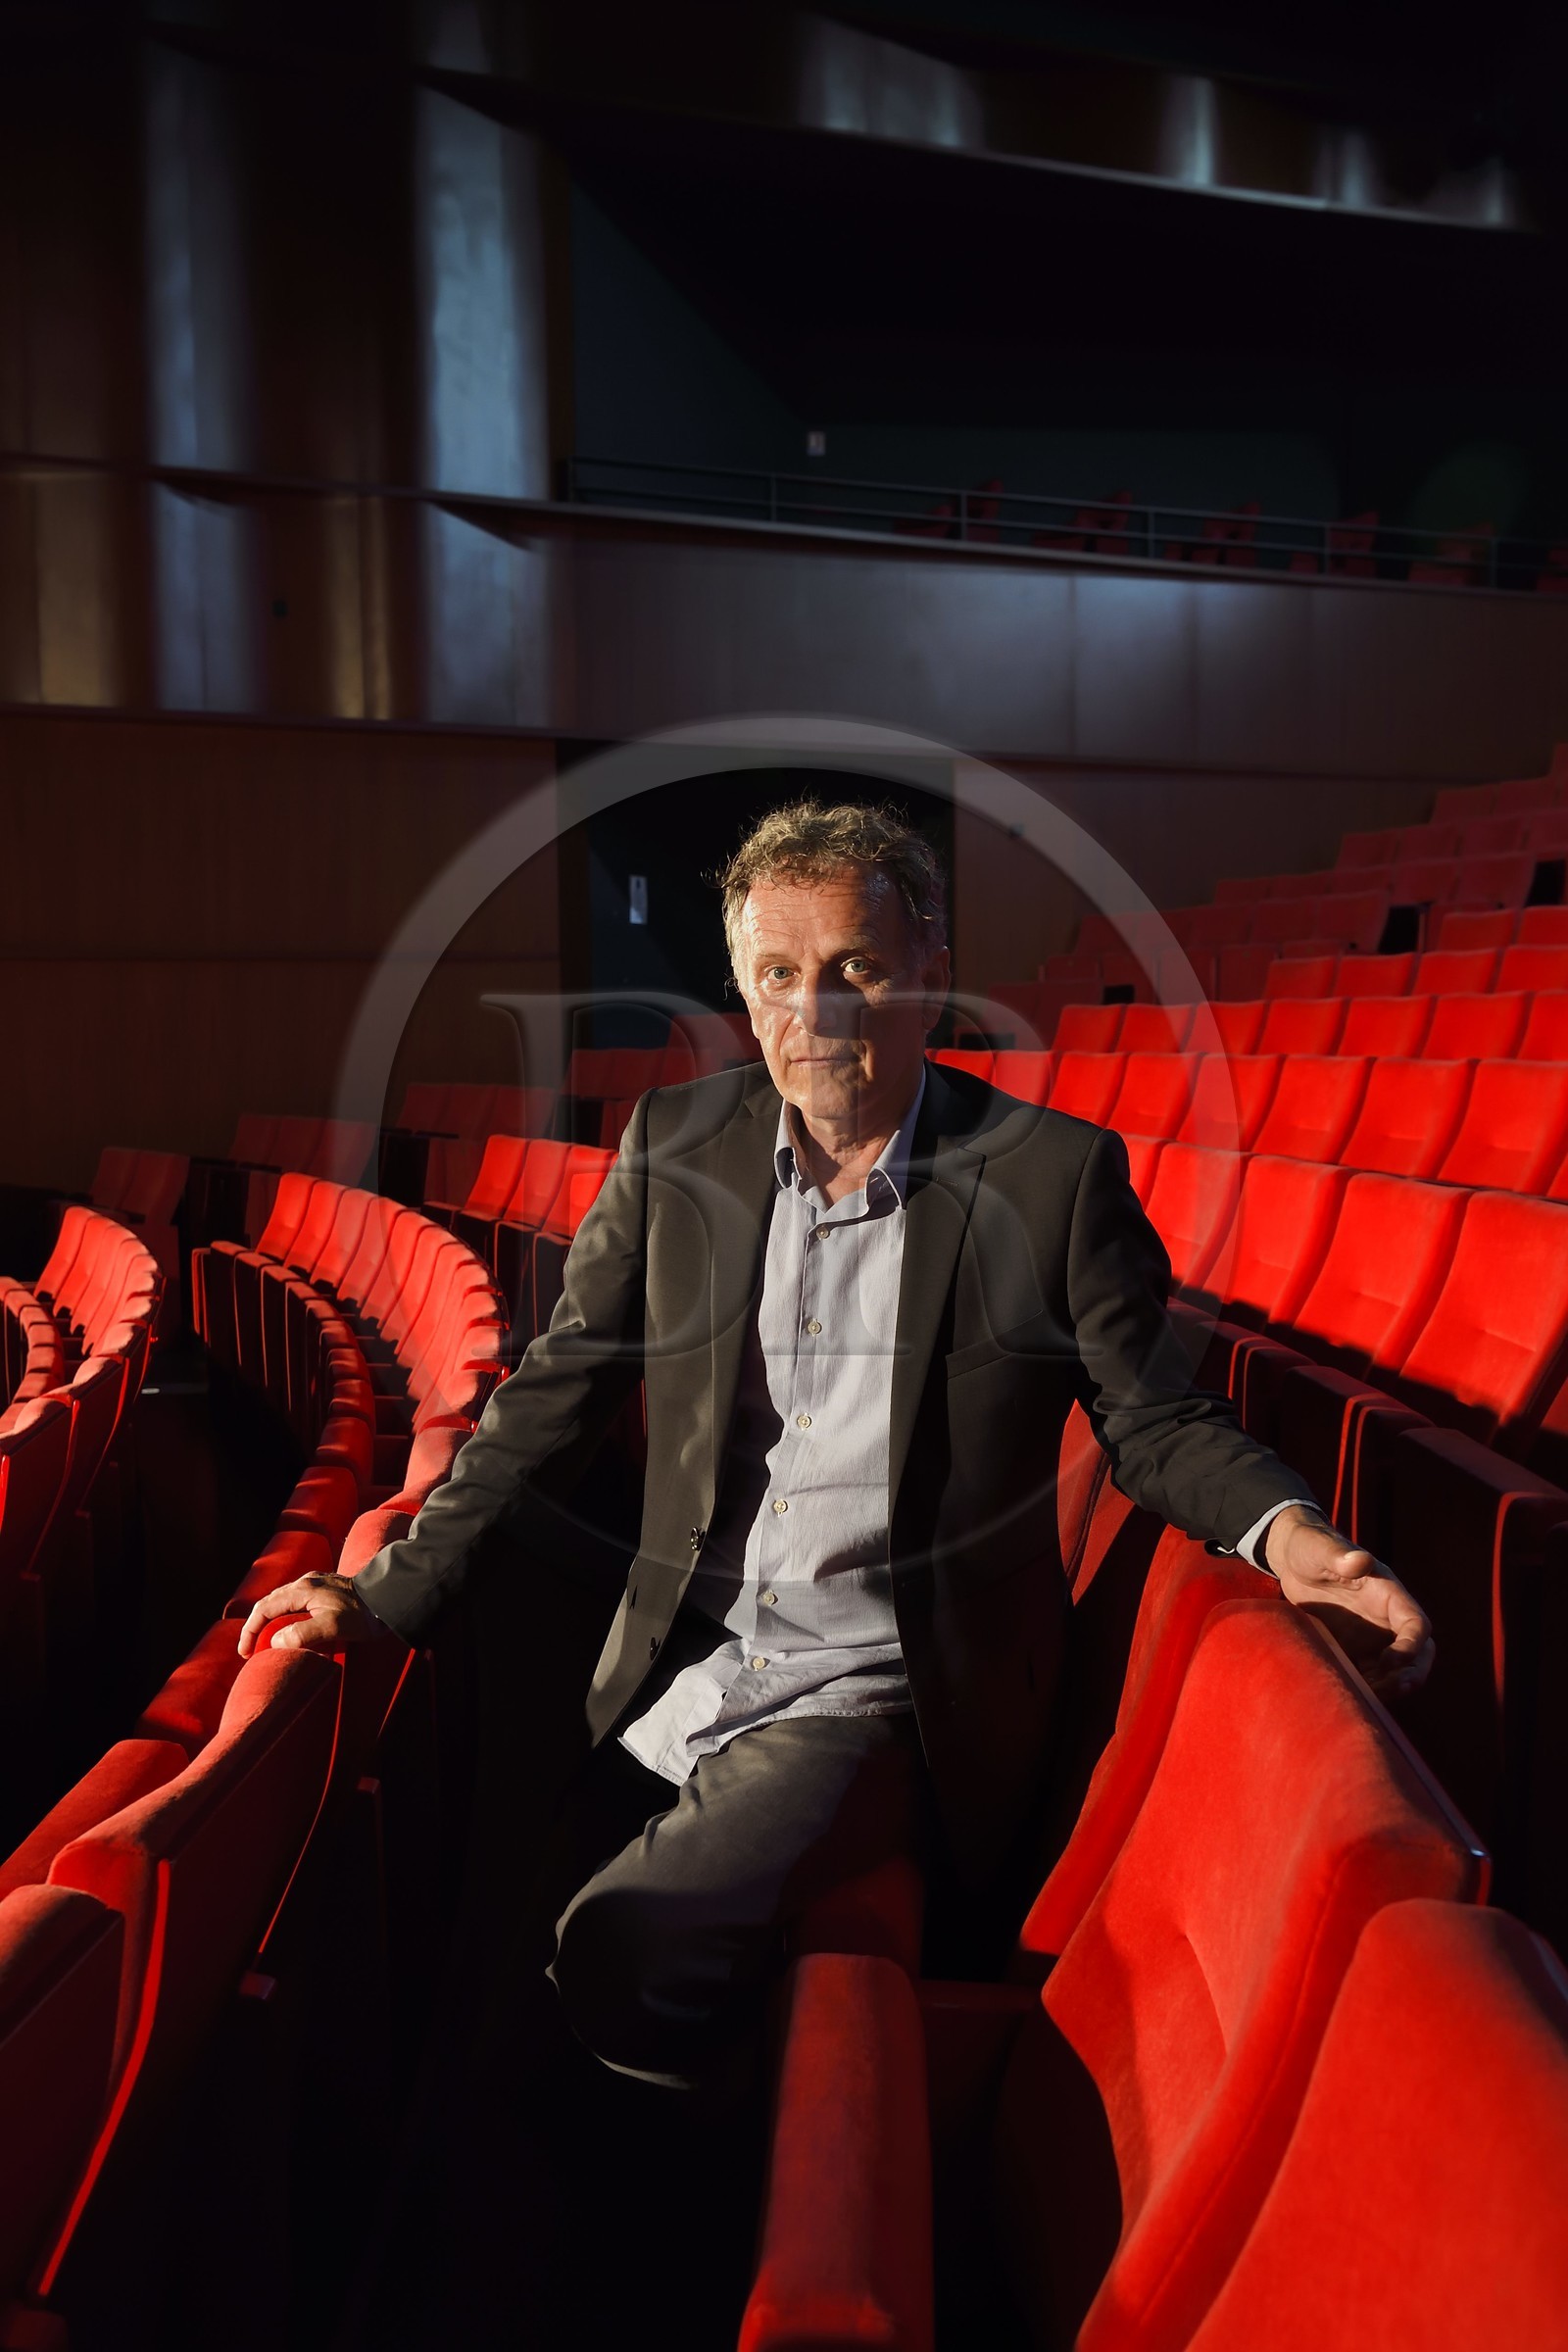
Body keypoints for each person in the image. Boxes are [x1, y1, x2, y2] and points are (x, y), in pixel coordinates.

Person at [239, 798, 1433, 2097]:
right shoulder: (672, 1147)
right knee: (473, 1941)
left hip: (884, 1682)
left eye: (857, 968)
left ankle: (742, 2191)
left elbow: (1154, 1417)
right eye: (779, 976)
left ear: (932, 970)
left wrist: (1297, 1536)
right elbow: (556, 1391)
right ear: (745, 997)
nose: (820, 1012)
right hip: (691, 1648)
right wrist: (384, 1594)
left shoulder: (1050, 1178)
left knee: (620, 1949)